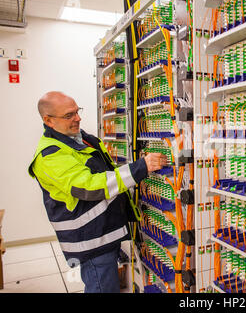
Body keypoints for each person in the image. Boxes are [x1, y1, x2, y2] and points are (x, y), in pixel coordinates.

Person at [28, 91, 167, 293]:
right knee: (102, 288)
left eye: (77, 112)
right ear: (48, 120)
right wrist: (140, 168)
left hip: (103, 233)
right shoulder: (50, 155)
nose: (78, 118)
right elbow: (91, 187)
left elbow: (108, 174)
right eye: (69, 115)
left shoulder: (82, 140)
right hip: (89, 241)